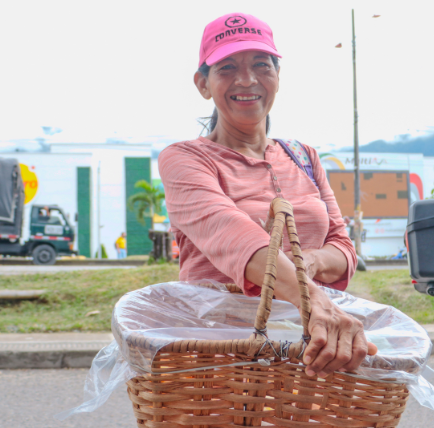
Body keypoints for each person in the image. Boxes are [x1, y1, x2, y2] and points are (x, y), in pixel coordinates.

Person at [159, 12, 374, 379]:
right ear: (203, 83)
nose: (247, 79)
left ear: (277, 76)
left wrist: (311, 261)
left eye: (262, 64)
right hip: (223, 354)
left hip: (307, 352)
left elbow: (343, 248)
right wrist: (316, 301)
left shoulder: (303, 156)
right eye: (227, 68)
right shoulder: (185, 159)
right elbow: (234, 236)